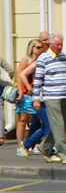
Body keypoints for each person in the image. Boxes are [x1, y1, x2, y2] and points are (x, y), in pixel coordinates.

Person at [32, 33, 66, 163]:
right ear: (51, 44)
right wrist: (36, 98)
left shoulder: (63, 57)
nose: (60, 47)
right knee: (58, 125)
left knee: (61, 126)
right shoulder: (43, 58)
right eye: (57, 44)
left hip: (64, 96)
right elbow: (38, 80)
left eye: (61, 44)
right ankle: (63, 154)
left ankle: (45, 147)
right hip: (52, 97)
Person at [17, 39, 47, 157]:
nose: (39, 49)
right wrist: (22, 91)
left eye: (41, 47)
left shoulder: (42, 59)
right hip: (26, 94)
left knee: (40, 121)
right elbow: (20, 75)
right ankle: (20, 147)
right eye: (37, 47)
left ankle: (34, 144)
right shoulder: (26, 59)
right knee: (23, 120)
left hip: (38, 95)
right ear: (32, 48)